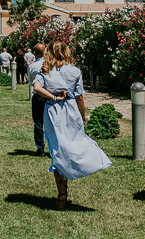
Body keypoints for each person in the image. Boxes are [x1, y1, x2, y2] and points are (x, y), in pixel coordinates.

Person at [32, 40, 111, 209]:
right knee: (76, 142)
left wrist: (52, 97)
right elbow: (79, 97)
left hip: (52, 111)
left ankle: (61, 194)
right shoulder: (75, 71)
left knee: (57, 149)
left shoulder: (45, 69)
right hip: (71, 111)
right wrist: (82, 118)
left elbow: (37, 88)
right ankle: (90, 162)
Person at [28, 44, 48, 156]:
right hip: (50, 94)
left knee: (38, 122)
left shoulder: (33, 66)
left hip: (38, 95)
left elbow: (31, 81)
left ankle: (40, 148)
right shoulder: (51, 64)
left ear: (35, 54)